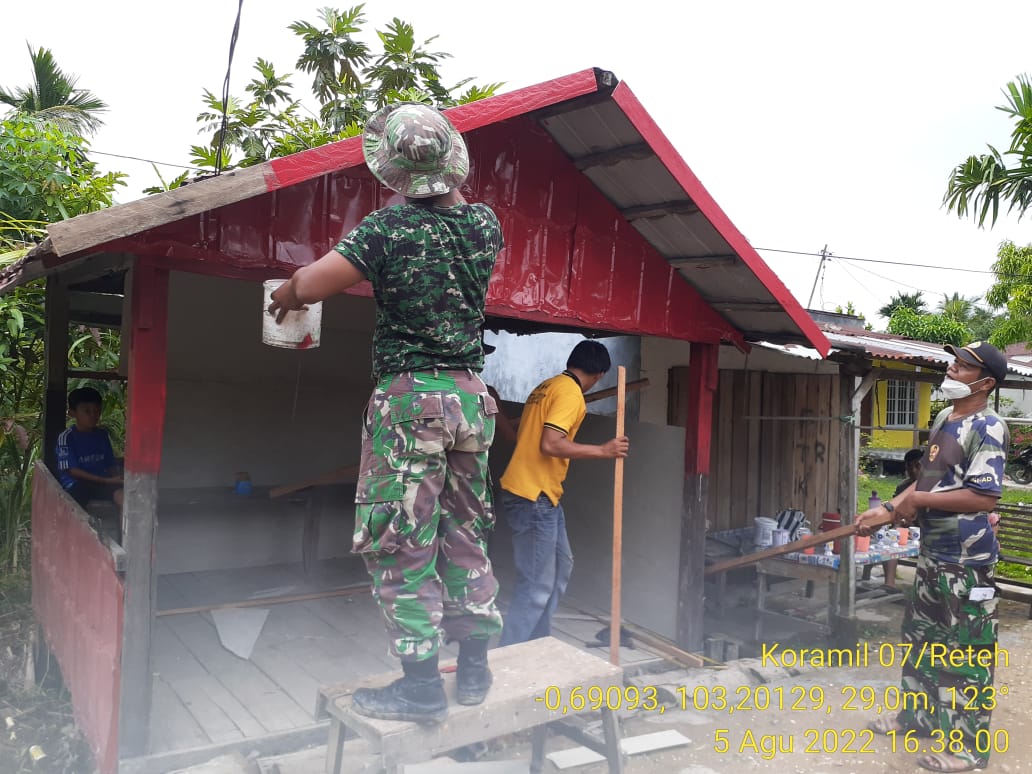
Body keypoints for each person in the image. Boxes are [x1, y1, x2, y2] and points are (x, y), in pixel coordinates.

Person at [268, 102, 503, 723]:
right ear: (453, 162)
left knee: (400, 538)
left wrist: (285, 295)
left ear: (393, 173)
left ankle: (422, 686)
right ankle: (474, 670)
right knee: (465, 531)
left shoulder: (387, 231)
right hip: (471, 399)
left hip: (411, 402)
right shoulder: (484, 224)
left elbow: (311, 285)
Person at [857, 341, 1009, 773]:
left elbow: (983, 496)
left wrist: (918, 500)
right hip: (932, 553)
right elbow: (927, 477)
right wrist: (889, 509)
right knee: (921, 641)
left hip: (967, 562)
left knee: (968, 653)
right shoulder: (945, 417)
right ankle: (918, 716)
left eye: (963, 367)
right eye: (955, 363)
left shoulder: (990, 426)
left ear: (985, 383)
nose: (953, 370)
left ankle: (969, 750)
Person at [497, 340, 630, 646]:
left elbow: (528, 438)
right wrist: (602, 449)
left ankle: (537, 643)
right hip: (533, 497)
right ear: (599, 375)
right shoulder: (570, 394)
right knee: (536, 583)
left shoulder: (548, 386)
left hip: (543, 495)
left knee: (559, 568)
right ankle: (510, 655)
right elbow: (550, 443)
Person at [55, 387, 123, 508]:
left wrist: (116, 479)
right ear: (72, 413)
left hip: (102, 483)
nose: (93, 415)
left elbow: (110, 464)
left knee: (123, 495)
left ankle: (126, 526)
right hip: (78, 484)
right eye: (87, 411)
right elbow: (73, 471)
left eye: (97, 411)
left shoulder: (102, 435)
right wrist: (106, 481)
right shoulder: (66, 437)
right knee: (79, 493)